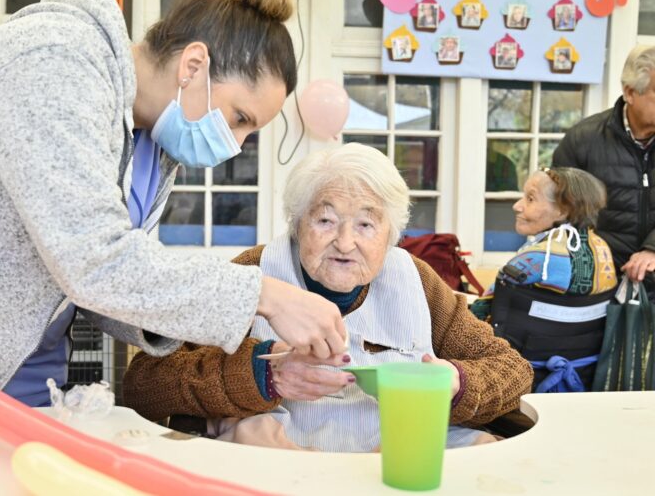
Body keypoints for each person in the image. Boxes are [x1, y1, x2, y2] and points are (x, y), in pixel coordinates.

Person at [0, 0, 347, 407]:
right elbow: (94, 260)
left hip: (14, 373)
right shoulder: (52, 59)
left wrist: (247, 338)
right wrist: (264, 295)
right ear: (192, 65)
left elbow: (108, 286)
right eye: (240, 117)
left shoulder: (152, 145)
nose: (237, 143)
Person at [124, 143, 533, 452]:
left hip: (395, 461)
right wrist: (264, 375)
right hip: (284, 467)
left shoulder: (415, 280)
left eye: (366, 225)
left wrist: (456, 383)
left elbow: (512, 371)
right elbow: (146, 384)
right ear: (297, 223)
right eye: (325, 219)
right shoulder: (253, 271)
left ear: (391, 234)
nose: (345, 242)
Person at [553, 44, 655, 291]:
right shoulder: (582, 140)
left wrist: (652, 249)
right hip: (598, 284)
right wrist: (593, 263)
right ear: (630, 92)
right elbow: (559, 212)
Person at [471, 168, 618, 321]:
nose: (517, 206)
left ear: (562, 210)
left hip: (523, 343)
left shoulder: (541, 256)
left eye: (530, 199)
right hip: (582, 343)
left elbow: (479, 312)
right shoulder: (601, 247)